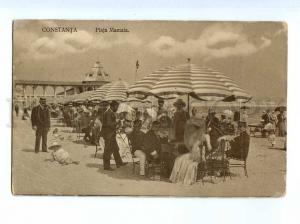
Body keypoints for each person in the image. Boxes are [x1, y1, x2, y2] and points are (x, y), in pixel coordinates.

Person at [170, 118, 212, 185]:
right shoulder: (196, 135)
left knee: (186, 162)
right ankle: (177, 178)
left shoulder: (206, 136)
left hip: (199, 155)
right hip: (193, 153)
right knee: (179, 159)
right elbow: (190, 144)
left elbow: (209, 148)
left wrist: (203, 147)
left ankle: (184, 179)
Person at [102, 101, 125, 171]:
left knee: (115, 149)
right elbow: (109, 124)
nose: (117, 108)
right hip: (108, 134)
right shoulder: (108, 113)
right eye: (116, 107)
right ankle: (106, 166)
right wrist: (117, 121)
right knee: (107, 150)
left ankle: (119, 162)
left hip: (111, 134)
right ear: (113, 106)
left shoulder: (110, 112)